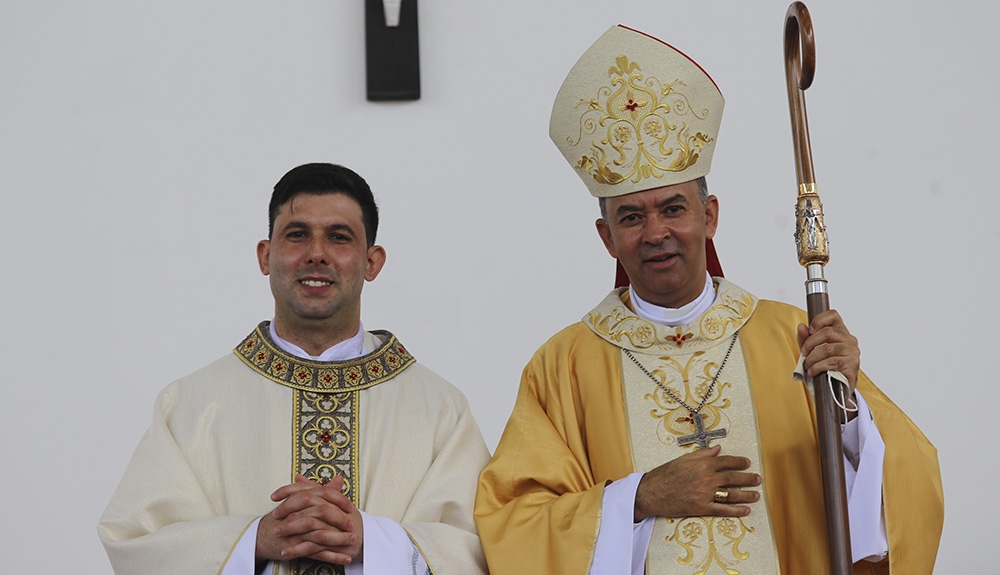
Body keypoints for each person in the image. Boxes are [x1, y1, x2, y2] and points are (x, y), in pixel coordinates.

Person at [475, 25, 943, 575]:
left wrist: (847, 406)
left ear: (709, 216)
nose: (655, 232)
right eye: (631, 216)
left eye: (673, 208)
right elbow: (513, 524)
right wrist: (639, 498)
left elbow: (909, 480)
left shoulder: (792, 337)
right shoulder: (563, 367)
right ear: (606, 237)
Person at [99, 163, 490, 575]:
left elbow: (481, 548)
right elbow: (135, 544)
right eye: (297, 235)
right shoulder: (190, 407)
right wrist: (254, 540)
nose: (316, 253)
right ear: (266, 256)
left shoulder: (441, 410)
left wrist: (370, 540)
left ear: (372, 262)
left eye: (339, 238)